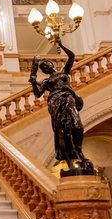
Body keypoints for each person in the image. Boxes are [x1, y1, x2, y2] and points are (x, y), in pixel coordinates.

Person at [29, 39, 88, 167]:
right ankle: (69, 161)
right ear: (44, 70)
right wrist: (33, 80)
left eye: (46, 63)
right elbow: (38, 94)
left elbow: (71, 56)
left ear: (51, 64)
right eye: (43, 66)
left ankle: (78, 152)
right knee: (62, 131)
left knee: (78, 127)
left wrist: (61, 45)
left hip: (69, 99)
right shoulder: (46, 81)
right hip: (56, 102)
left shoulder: (63, 72)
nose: (45, 66)